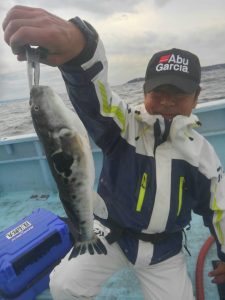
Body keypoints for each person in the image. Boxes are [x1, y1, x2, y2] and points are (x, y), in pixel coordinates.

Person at [3, 5, 225, 300]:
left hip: (164, 250)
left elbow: (218, 210)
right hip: (109, 235)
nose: (167, 102)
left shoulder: (203, 158)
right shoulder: (123, 125)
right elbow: (95, 98)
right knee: (64, 284)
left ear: (196, 98)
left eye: (179, 95)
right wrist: (80, 53)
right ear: (144, 92)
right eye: (158, 93)